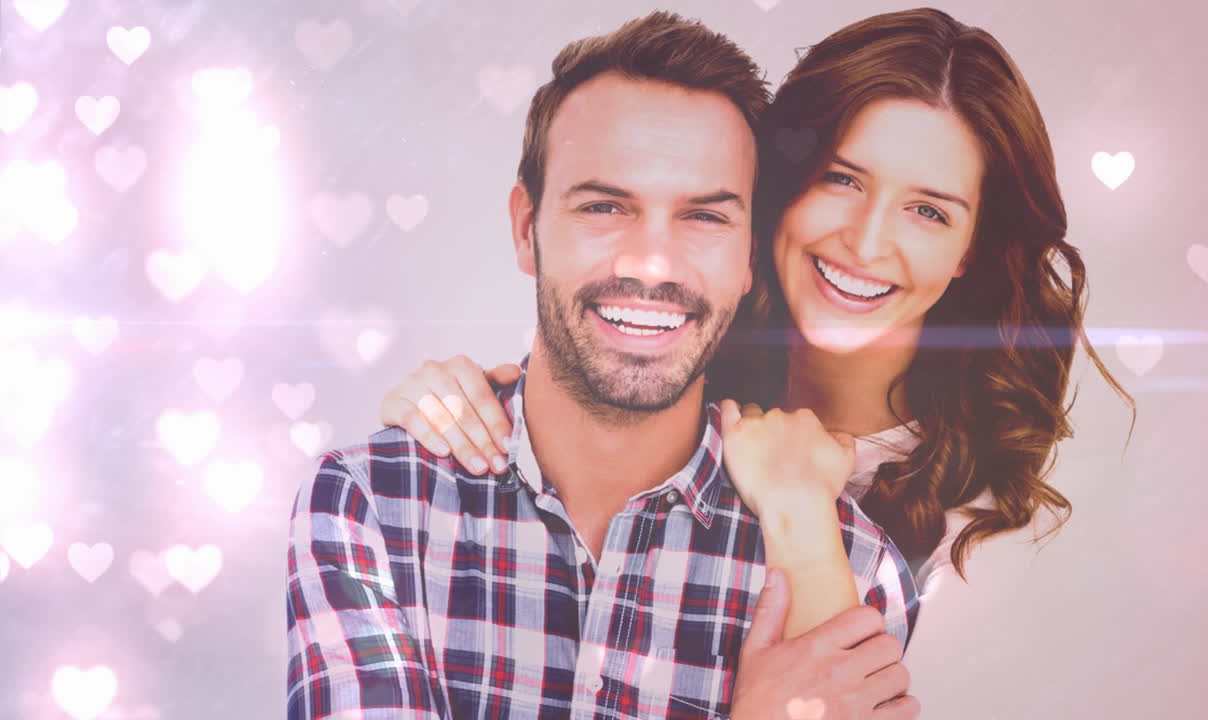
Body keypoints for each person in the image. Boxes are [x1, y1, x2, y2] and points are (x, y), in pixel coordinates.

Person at [377, 6, 1136, 644]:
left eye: (928, 210)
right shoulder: (672, 371)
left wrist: (803, 514)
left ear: (972, 249)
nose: (867, 244)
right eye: (842, 178)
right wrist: (455, 410)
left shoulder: (992, 533)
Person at [287, 11, 921, 720]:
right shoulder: (373, 505)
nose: (652, 263)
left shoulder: (849, 572)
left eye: (705, 217)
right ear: (527, 229)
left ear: (749, 256)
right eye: (605, 206)